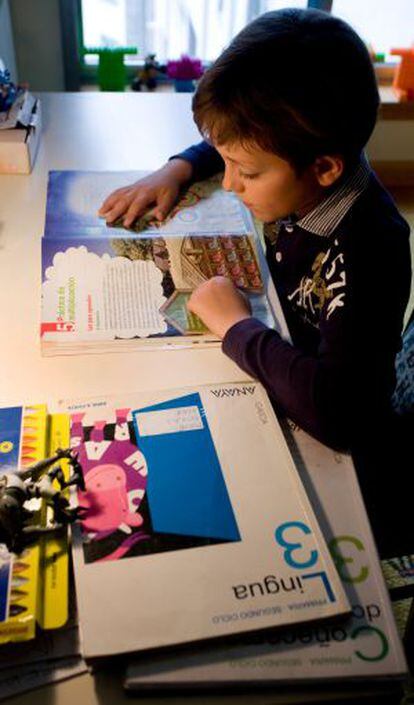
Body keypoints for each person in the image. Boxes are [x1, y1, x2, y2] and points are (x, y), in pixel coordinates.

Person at [99, 9, 412, 555]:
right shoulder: (298, 161)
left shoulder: (372, 250)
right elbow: (241, 142)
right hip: (282, 352)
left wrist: (235, 327)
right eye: (224, 161)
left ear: (325, 169)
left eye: (246, 172)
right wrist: (174, 170)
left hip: (342, 453)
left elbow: (341, 415)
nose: (230, 182)